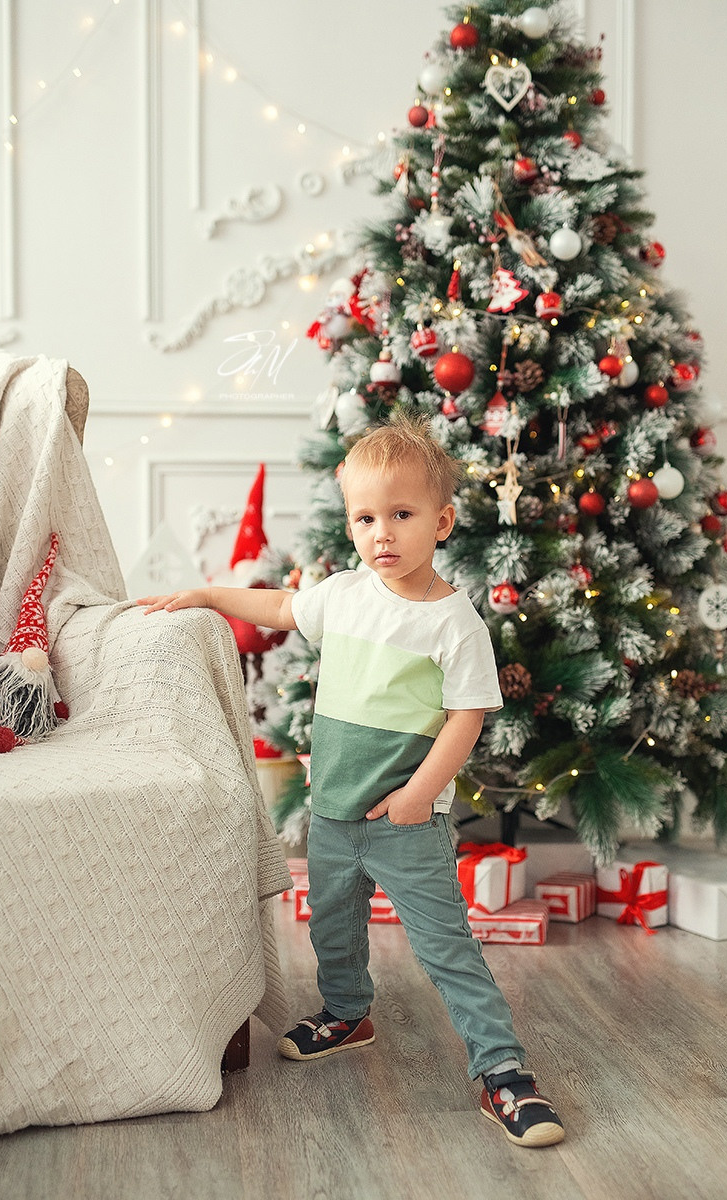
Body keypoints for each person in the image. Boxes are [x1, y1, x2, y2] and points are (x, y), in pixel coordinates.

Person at [137, 414, 564, 1149]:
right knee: (331, 926)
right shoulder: (342, 594)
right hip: (332, 816)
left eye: (401, 515)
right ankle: (346, 1011)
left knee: (446, 949)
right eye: (366, 518)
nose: (382, 534)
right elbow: (275, 606)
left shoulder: (453, 623)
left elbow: (466, 717)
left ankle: (503, 1072)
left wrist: (419, 794)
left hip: (403, 822)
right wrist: (209, 594)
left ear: (443, 521)